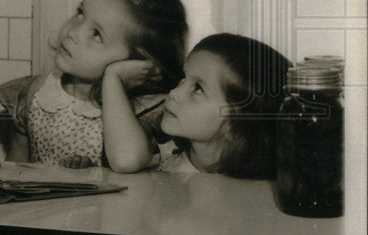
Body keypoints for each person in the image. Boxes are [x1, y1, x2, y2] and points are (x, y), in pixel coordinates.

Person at [0, 0, 188, 169]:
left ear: (137, 63)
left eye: (96, 34)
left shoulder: (140, 111)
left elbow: (127, 160)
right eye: (80, 13)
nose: (73, 32)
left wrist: (114, 78)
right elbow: (17, 173)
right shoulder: (36, 93)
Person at [105, 33, 291, 177]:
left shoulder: (251, 192)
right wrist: (113, 78)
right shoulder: (165, 151)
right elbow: (125, 158)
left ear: (235, 126)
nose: (174, 93)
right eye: (183, 79)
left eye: (198, 89)